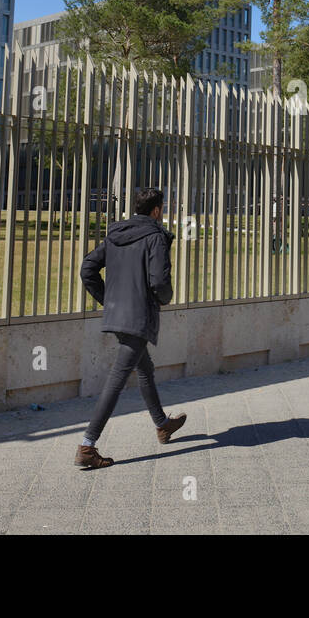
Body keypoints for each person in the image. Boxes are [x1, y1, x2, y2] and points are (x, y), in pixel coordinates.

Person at [74, 187, 187, 469]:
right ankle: (87, 445)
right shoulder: (155, 236)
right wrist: (165, 298)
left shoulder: (116, 234)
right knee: (118, 378)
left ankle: (162, 424)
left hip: (118, 315)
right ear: (157, 210)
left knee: (144, 367)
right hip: (138, 317)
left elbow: (88, 268)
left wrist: (107, 299)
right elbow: (159, 282)